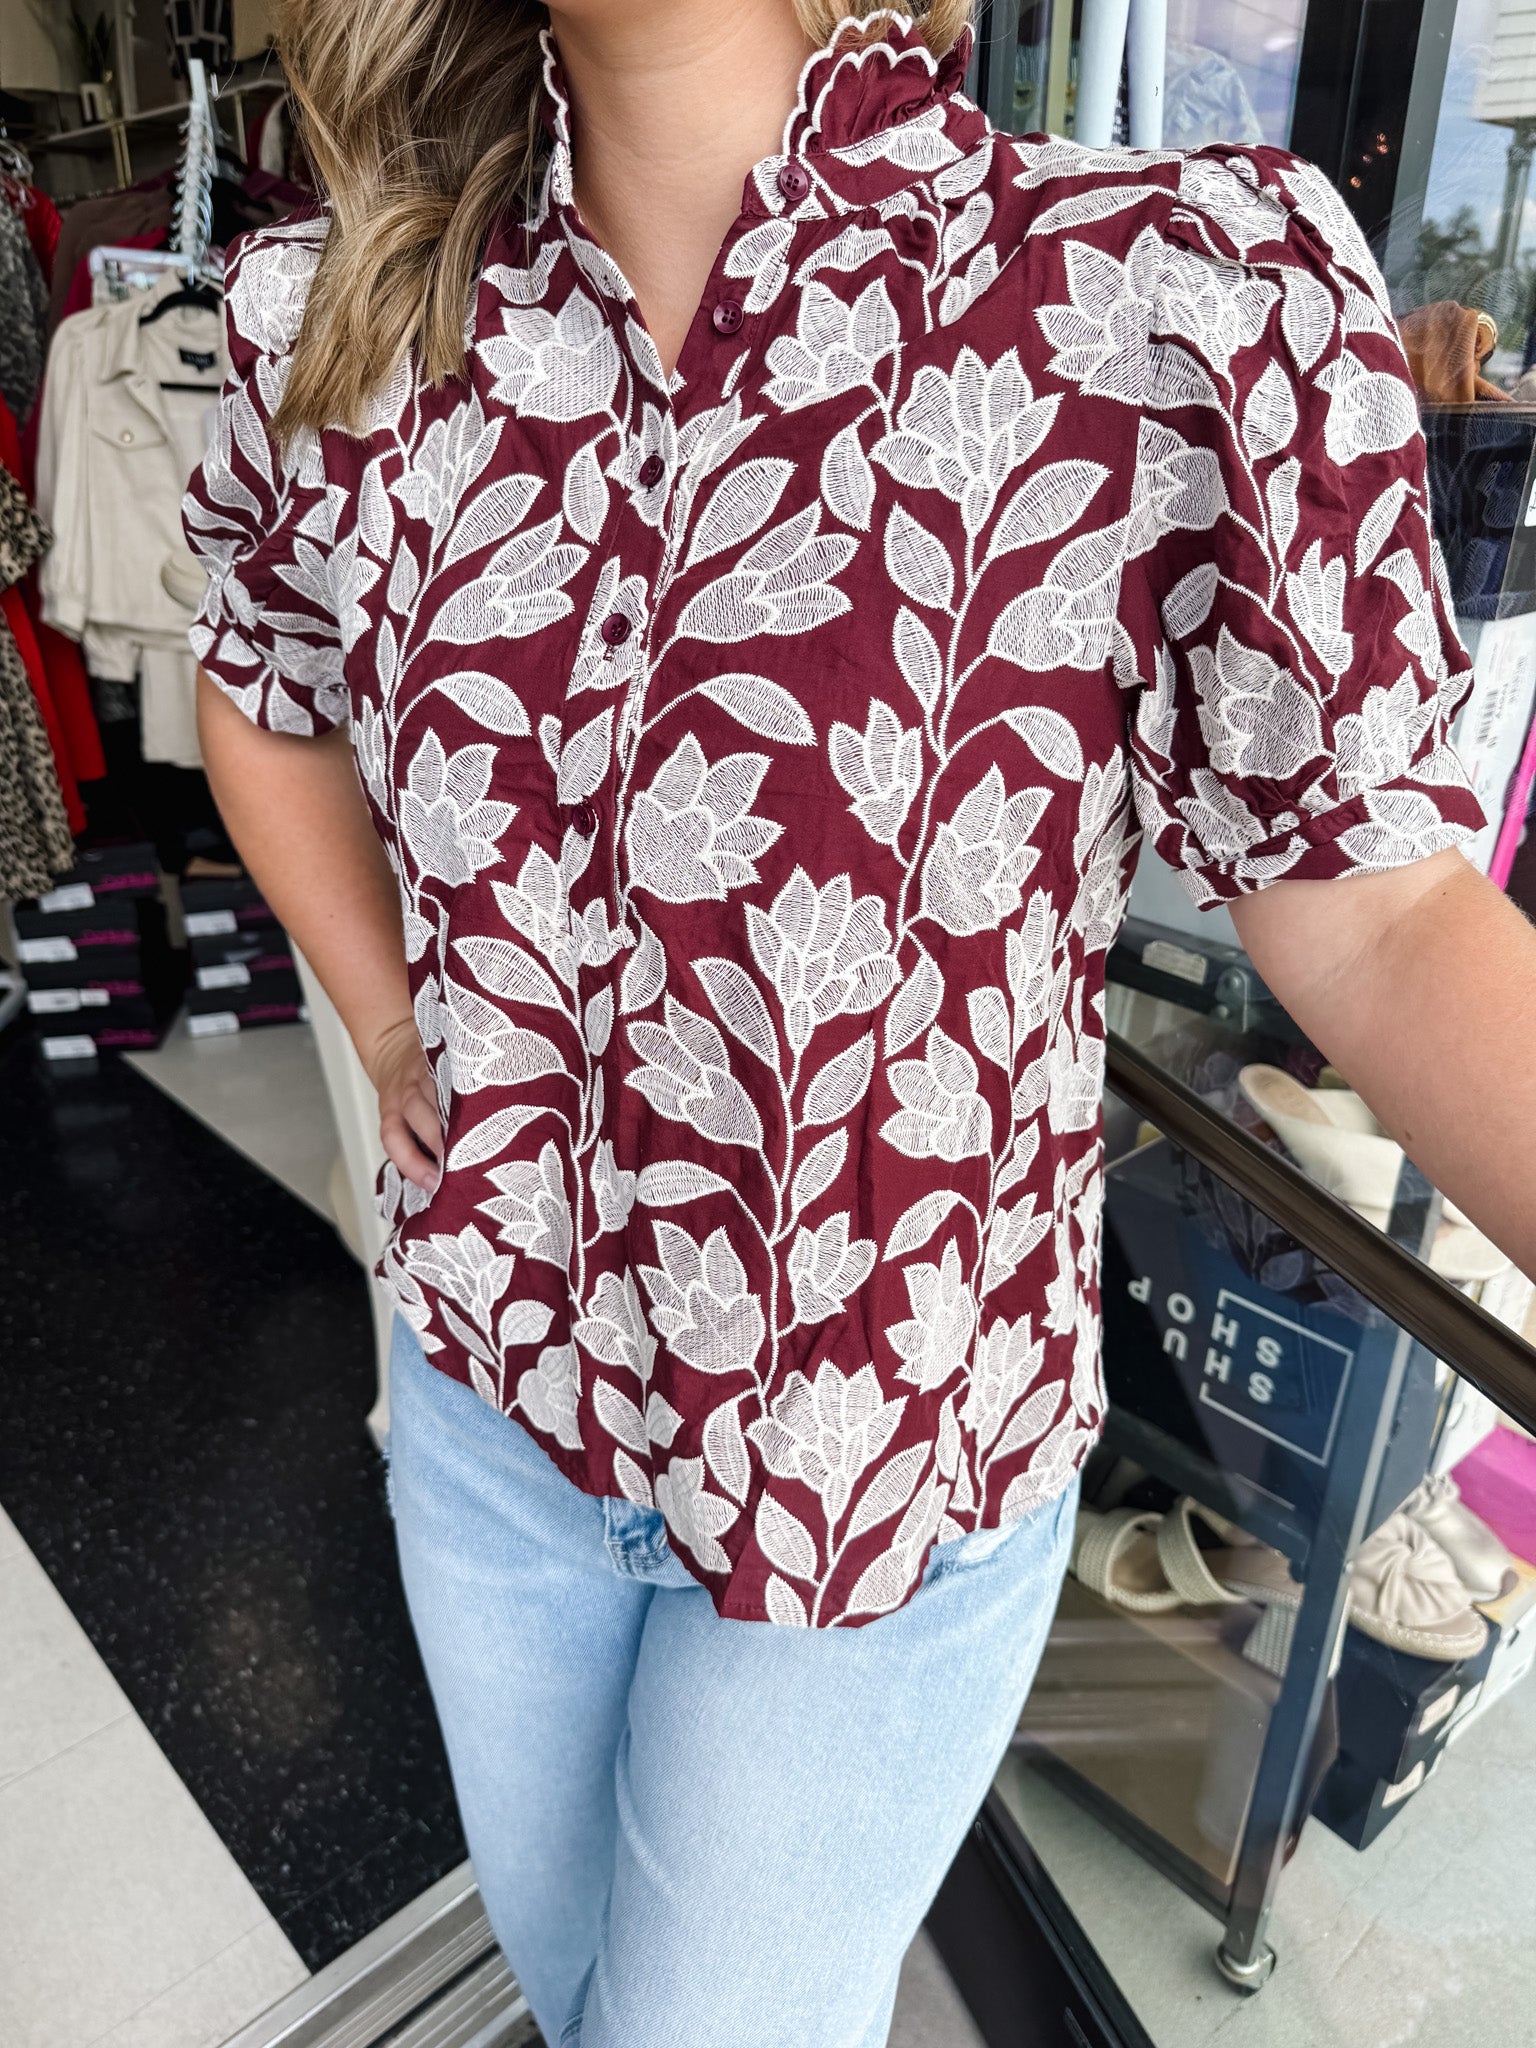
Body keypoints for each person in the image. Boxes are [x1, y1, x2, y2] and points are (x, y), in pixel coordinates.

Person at [184, 1, 1536, 2041]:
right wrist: (388, 1030)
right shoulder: (342, 320)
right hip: (496, 1420)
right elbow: (260, 686)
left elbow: (1383, 907)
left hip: (880, 1467)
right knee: (581, 1995)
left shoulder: (1150, 289)